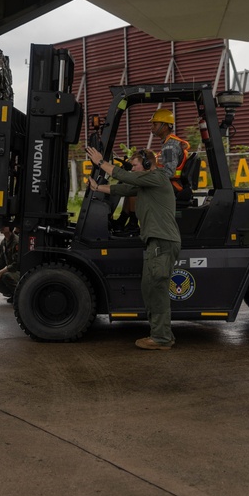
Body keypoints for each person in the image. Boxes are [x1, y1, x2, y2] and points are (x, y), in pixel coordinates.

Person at [85, 145, 181, 350]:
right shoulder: (147, 183)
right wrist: (97, 188)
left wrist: (101, 163)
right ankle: (162, 335)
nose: (133, 169)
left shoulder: (158, 178)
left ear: (147, 164)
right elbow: (123, 188)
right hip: (157, 242)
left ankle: (161, 338)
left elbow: (128, 178)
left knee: (156, 290)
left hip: (161, 242)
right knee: (150, 289)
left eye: (135, 165)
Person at [150, 109, 192, 201]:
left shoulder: (169, 146)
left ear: (164, 127)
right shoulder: (170, 143)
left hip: (173, 185)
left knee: (139, 190)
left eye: (155, 124)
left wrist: (149, 176)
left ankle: (132, 215)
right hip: (172, 183)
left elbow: (169, 172)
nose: (152, 127)